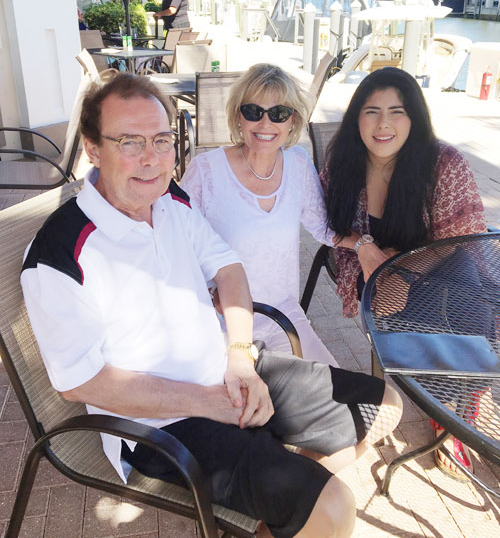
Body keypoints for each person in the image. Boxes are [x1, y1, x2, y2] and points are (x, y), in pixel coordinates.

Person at [21, 73, 402, 538]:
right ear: (93, 148)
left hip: (230, 374)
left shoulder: (171, 201)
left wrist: (239, 362)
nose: (151, 158)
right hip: (162, 423)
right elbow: (80, 383)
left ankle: (281, 508)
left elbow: (229, 269)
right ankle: (300, 502)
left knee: (383, 405)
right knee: (336, 508)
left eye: (161, 140)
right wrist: (208, 402)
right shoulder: (60, 254)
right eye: (129, 141)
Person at [320, 66, 486, 480]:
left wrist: (400, 272)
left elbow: (463, 237)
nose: (383, 124)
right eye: (371, 111)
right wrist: (366, 251)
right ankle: (448, 406)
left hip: (442, 264)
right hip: (364, 265)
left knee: (466, 309)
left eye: (397, 111)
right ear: (356, 116)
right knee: (404, 317)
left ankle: (462, 404)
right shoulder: (342, 160)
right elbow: (322, 223)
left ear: (414, 117)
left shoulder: (442, 163)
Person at [181, 63, 338, 366]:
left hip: (282, 315)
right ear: (238, 116)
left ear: (293, 121)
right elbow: (177, 246)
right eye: (253, 111)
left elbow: (322, 227)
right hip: (219, 320)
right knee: (242, 407)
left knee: (341, 401)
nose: (265, 123)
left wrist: (365, 245)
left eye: (279, 113)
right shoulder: (206, 171)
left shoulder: (298, 164)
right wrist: (209, 290)